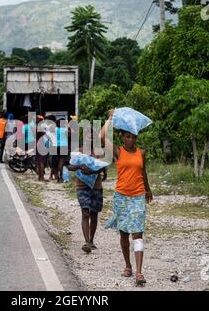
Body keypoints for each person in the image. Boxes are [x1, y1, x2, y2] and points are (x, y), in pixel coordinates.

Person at [100, 109, 153, 286]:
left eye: (134, 137)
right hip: (121, 196)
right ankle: (127, 265)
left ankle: (139, 272)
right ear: (122, 136)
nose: (131, 140)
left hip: (138, 196)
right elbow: (101, 137)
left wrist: (148, 190)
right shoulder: (117, 152)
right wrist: (109, 118)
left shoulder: (141, 153)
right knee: (124, 233)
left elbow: (143, 172)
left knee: (137, 234)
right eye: (128, 136)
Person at [67, 130, 107, 254]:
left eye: (92, 138)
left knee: (94, 214)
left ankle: (91, 239)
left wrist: (93, 171)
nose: (89, 140)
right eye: (87, 138)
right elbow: (69, 166)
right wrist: (79, 167)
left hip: (96, 186)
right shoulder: (78, 152)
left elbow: (103, 167)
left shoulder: (98, 153)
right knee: (85, 213)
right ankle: (87, 242)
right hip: (81, 186)